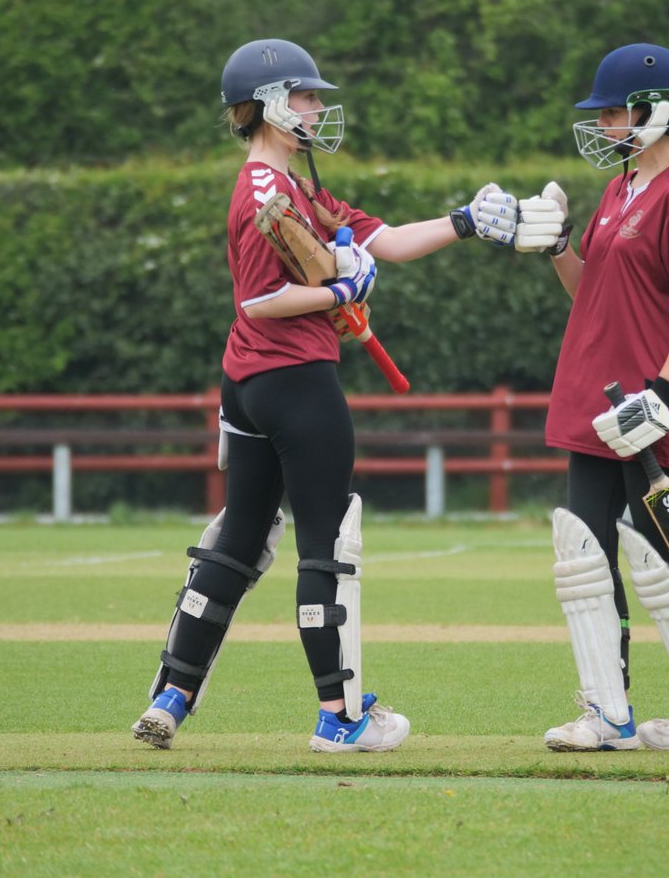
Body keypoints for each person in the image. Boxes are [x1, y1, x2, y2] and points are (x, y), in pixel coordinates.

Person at [131, 38, 516, 753]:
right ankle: (341, 717)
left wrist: (466, 222)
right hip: (296, 385)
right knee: (325, 548)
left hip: (245, 386)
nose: (316, 108)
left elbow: (388, 241)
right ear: (270, 105)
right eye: (305, 97)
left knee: (238, 540)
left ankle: (173, 696)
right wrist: (340, 289)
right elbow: (261, 301)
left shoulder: (299, 188)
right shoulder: (264, 193)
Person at [510, 43, 669, 751]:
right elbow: (592, 294)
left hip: (647, 408)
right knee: (583, 555)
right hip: (596, 400)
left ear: (658, 112)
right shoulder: (619, 189)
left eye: (615, 111)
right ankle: (606, 713)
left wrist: (661, 394)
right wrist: (556, 245)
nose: (605, 123)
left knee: (662, 563)